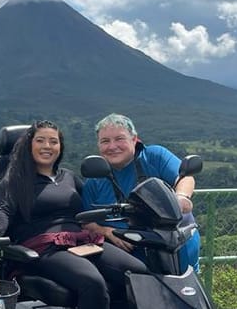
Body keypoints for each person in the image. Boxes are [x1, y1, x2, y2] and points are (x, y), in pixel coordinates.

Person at [0, 120, 146, 309]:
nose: (47, 146)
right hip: (45, 246)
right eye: (40, 140)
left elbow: (90, 208)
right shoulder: (16, 179)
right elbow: (3, 211)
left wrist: (112, 227)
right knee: (92, 283)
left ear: (60, 146)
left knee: (139, 274)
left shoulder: (68, 176)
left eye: (53, 141)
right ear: (28, 145)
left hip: (83, 241)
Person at [82, 113, 201, 273]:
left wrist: (181, 198)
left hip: (170, 238)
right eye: (105, 141)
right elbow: (86, 221)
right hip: (127, 249)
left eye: (119, 139)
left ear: (134, 139)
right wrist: (108, 232)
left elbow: (184, 177)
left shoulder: (154, 156)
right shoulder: (95, 179)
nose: (112, 146)